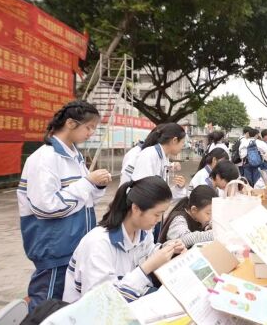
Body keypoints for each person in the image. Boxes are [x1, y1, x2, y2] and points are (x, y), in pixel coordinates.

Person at [18, 100, 111, 312]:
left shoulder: (75, 155)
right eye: (88, 127)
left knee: (63, 304)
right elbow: (46, 206)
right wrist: (87, 182)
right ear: (70, 123)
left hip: (74, 242)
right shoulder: (44, 158)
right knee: (46, 304)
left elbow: (83, 200)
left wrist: (96, 186)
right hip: (55, 246)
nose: (91, 133)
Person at [63, 176, 185, 303]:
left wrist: (167, 250)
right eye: (156, 214)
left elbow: (148, 253)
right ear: (136, 208)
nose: (159, 220)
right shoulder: (98, 243)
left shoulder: (143, 231)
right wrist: (147, 267)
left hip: (126, 304)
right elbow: (100, 302)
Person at [131, 123, 187, 201]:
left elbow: (161, 194)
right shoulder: (149, 155)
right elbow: (143, 191)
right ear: (174, 140)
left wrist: (179, 188)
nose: (183, 147)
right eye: (182, 143)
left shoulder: (163, 157)